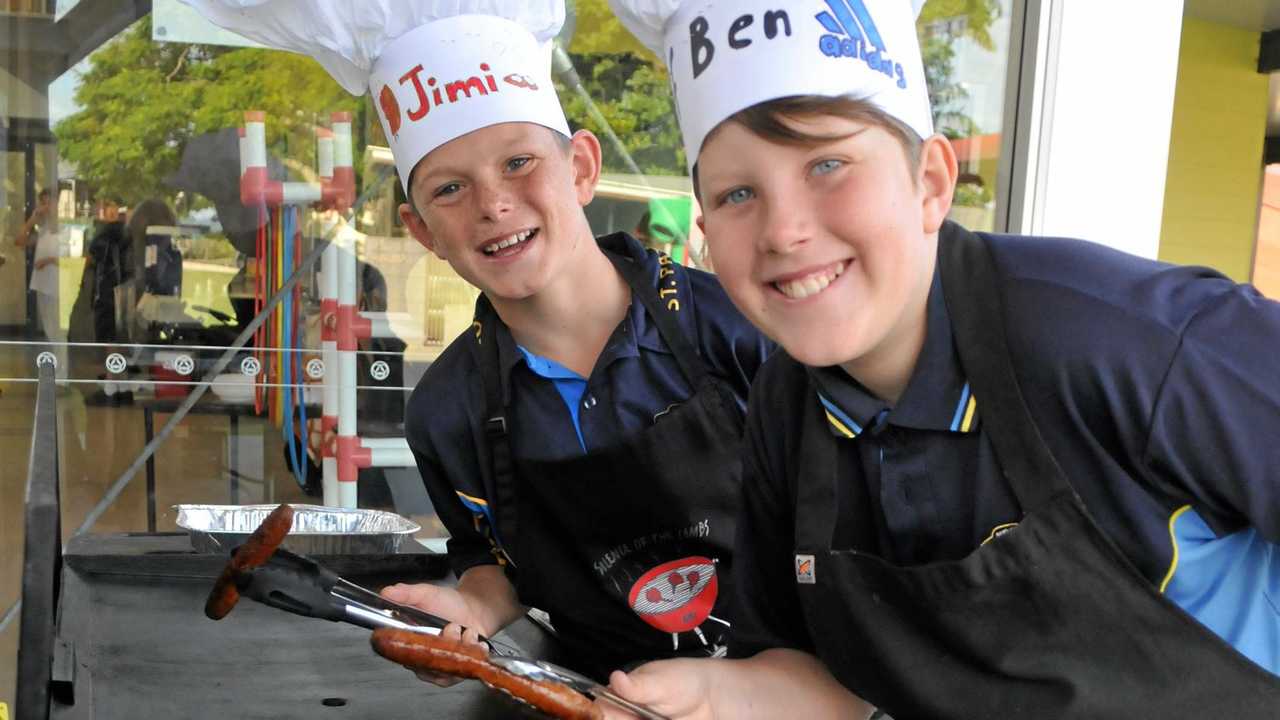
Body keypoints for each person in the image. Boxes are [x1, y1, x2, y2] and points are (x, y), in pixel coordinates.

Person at [599, 0, 1280, 717]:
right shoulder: (784, 405)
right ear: (704, 231)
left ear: (930, 182)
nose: (785, 231)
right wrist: (707, 695)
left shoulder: (1120, 336)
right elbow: (824, 686)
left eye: (828, 164)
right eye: (739, 193)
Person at [186, 0, 773, 680]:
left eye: (520, 162)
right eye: (451, 189)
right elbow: (495, 564)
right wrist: (466, 607)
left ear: (581, 166)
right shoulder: (445, 411)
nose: (492, 205)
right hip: (605, 697)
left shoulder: (741, 326)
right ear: (422, 231)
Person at [16, 188, 68, 378]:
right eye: (42, 203)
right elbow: (19, 241)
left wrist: (49, 261)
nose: (45, 207)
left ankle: (62, 378)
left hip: (59, 288)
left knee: (59, 333)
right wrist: (31, 221)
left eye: (48, 203)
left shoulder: (65, 228)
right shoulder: (43, 231)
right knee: (49, 331)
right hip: (43, 286)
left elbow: (79, 260)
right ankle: (55, 374)